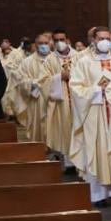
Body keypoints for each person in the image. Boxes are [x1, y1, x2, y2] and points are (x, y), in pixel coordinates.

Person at [69, 27, 111, 205]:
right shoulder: (84, 62)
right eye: (101, 38)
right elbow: (76, 88)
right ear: (93, 40)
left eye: (107, 38)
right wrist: (97, 90)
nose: (105, 41)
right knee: (97, 150)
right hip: (95, 112)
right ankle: (99, 195)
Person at [14, 32, 54, 147]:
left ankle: (55, 152)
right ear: (35, 45)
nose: (43, 45)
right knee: (38, 129)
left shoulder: (56, 60)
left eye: (46, 43)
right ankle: (39, 151)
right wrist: (33, 83)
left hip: (54, 100)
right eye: (40, 43)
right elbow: (20, 80)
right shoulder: (27, 62)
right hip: (36, 100)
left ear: (50, 44)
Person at [44, 29, 77, 170]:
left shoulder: (79, 57)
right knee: (65, 131)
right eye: (56, 40)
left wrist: (73, 75)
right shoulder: (50, 60)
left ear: (67, 40)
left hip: (78, 101)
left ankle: (81, 163)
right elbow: (44, 82)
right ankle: (69, 164)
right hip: (61, 102)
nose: (59, 43)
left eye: (62, 39)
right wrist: (58, 77)